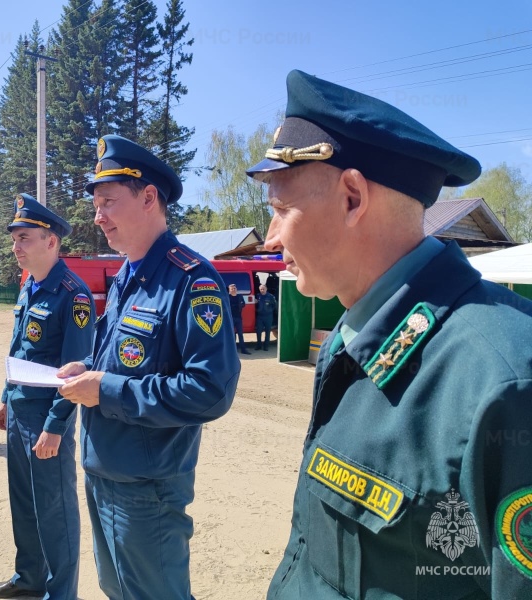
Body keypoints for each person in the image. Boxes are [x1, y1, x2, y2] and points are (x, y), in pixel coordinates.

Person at [247, 70, 532, 599]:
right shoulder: (348, 336)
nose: (270, 237)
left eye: (282, 210)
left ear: (352, 197)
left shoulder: (506, 378)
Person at [58, 135, 241, 600]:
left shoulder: (191, 280)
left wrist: (108, 390)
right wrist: (89, 368)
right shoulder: (127, 277)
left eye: (107, 203)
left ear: (148, 197)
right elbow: (122, 360)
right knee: (117, 590)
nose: (97, 216)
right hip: (104, 472)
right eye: (95, 204)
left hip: (147, 490)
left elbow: (211, 390)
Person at [0, 194, 95, 600]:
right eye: (14, 239)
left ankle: (61, 593)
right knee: (25, 503)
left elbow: (76, 370)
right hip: (18, 410)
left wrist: (54, 428)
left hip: (46, 420)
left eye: (25, 238)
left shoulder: (73, 295)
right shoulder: (30, 286)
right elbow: (19, 349)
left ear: (52, 242)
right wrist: (5, 397)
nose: (16, 246)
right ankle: (29, 577)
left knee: (55, 511)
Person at [227, 283, 250, 354]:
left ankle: (243, 349)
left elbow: (243, 304)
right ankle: (233, 350)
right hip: (231, 318)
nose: (233, 290)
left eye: (234, 288)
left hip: (239, 318)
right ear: (229, 290)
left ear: (236, 289)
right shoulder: (228, 297)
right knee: (232, 335)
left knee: (240, 334)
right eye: (232, 289)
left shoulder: (240, 296)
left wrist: (240, 306)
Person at [253, 283, 276, 351]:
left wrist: (269, 311)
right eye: (261, 289)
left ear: (266, 289)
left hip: (268, 316)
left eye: (263, 289)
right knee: (258, 331)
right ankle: (259, 345)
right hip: (260, 316)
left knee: (267, 332)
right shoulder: (257, 296)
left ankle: (266, 346)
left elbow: (274, 305)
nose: (262, 290)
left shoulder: (270, 296)